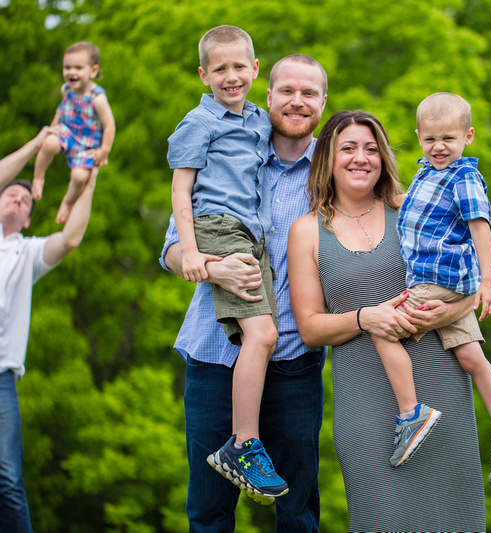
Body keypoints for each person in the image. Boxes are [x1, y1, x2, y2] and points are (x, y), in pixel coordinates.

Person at [287, 110, 486, 532]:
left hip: (443, 389)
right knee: (383, 517)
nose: (361, 158)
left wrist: (449, 311)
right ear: (327, 158)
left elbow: (472, 284)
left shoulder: (414, 207)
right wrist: (365, 318)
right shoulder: (306, 231)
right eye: (348, 148)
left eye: (371, 148)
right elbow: (309, 328)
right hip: (367, 408)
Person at [160, 53, 329, 532]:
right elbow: (174, 250)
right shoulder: (224, 151)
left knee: (298, 510)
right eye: (287, 92)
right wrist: (216, 268)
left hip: (295, 360)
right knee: (209, 512)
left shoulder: (332, 173)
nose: (297, 102)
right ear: (267, 94)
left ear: (321, 102)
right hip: (215, 358)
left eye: (308, 93)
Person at [370, 92, 491, 484]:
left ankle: (412, 413)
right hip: (446, 284)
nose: (438, 147)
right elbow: (409, 204)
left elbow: (480, 226)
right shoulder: (428, 173)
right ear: (418, 136)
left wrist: (489, 279)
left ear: (468, 136)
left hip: (437, 281)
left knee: (382, 329)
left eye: (448, 138)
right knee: (472, 359)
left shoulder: (463, 177)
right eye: (430, 139)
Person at [169, 25, 285, 503]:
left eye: (240, 67)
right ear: (204, 74)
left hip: (251, 232)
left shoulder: (260, 120)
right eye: (220, 69)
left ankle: (243, 441)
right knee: (262, 335)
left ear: (255, 69)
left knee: (262, 336)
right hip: (218, 226)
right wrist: (193, 252)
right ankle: (243, 444)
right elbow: (181, 190)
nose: (231, 76)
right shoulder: (197, 124)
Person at [0, 127, 97, 533]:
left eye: (25, 200)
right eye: (10, 194)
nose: (18, 199)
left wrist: (89, 174)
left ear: (27, 217)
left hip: (0, 376)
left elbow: (71, 237)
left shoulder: (27, 251)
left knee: (7, 479)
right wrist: (38, 146)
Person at [33, 41, 115, 225]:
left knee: (80, 177)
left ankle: (68, 201)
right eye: (67, 67)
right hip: (67, 132)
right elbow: (61, 110)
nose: (71, 72)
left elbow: (109, 126)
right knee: (49, 143)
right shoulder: (67, 89)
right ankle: (38, 177)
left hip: (87, 143)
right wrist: (53, 127)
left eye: (78, 68)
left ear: (93, 71)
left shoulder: (97, 98)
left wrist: (104, 151)